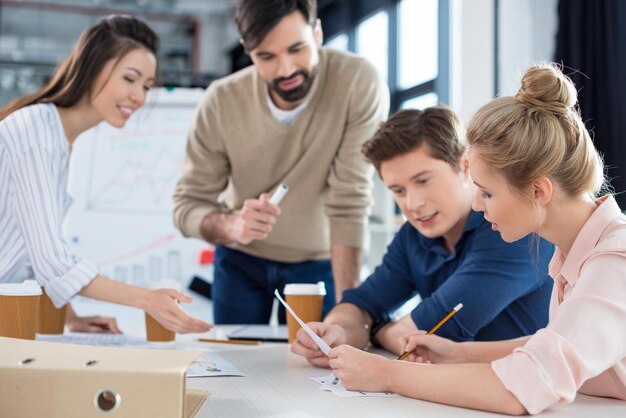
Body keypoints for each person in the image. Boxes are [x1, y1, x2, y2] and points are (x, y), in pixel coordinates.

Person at [327, 64, 626, 415]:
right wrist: (457, 353)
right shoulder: (574, 252)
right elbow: (557, 346)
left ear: (538, 191)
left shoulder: (614, 261)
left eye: (486, 193)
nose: (476, 204)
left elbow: (522, 389)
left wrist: (388, 374)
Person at [173, 0, 389, 324]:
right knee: (238, 367)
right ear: (247, 49)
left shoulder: (358, 83)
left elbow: (350, 200)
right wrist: (233, 226)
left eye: (296, 48)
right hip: (241, 260)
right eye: (266, 56)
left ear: (317, 33)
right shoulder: (220, 101)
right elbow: (186, 207)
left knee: (326, 362)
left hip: (322, 261)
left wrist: (352, 315)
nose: (285, 70)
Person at [291, 106, 554, 367]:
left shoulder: (513, 229)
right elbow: (361, 303)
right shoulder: (414, 236)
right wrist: (338, 331)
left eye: (423, 181)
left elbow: (432, 338)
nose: (413, 203)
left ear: (465, 166)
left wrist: (375, 328)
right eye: (398, 190)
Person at [0, 15, 212, 335]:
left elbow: (33, 254)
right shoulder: (36, 133)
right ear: (93, 67)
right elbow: (52, 261)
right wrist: (146, 300)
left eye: (146, 86)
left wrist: (71, 316)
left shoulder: (57, 140)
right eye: (130, 79)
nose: (139, 97)